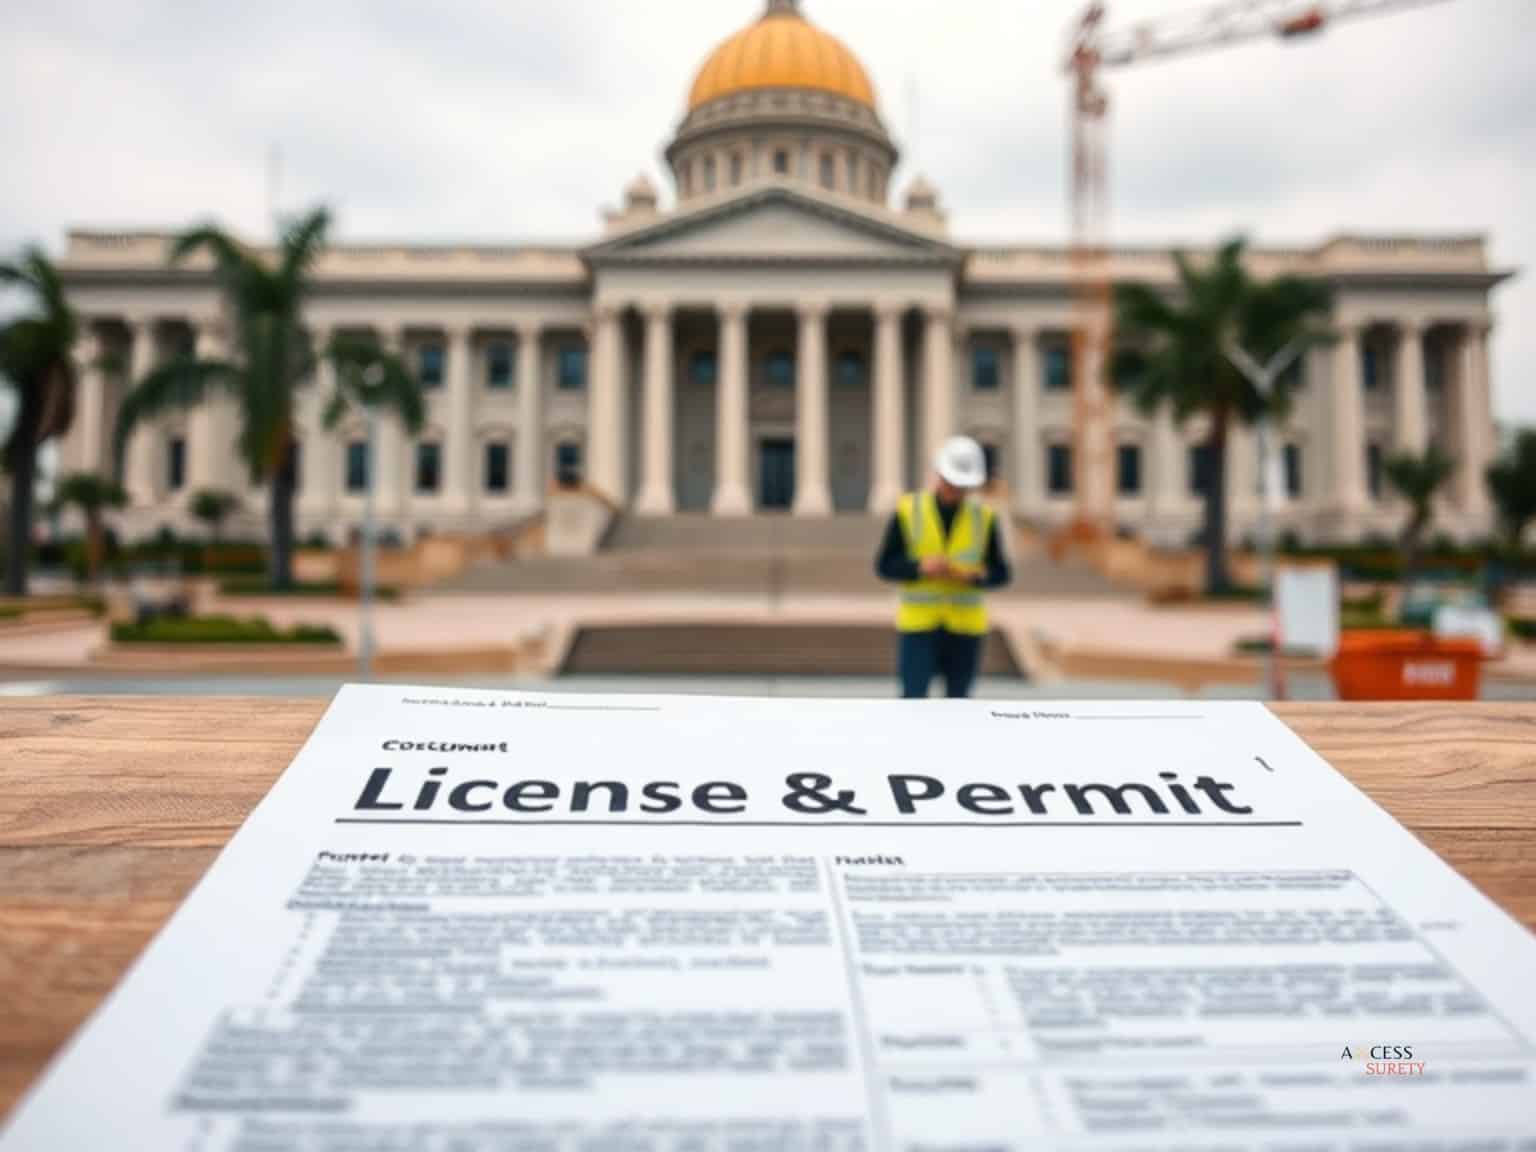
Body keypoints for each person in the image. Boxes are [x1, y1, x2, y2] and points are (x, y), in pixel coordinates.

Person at [875, 435, 1012, 699]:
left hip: (965, 628)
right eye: (952, 483)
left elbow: (1001, 572)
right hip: (919, 626)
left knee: (959, 707)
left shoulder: (984, 517)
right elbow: (884, 565)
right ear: (939, 475)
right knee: (913, 702)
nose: (956, 491)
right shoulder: (909, 510)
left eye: (963, 485)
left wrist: (977, 577)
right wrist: (919, 568)